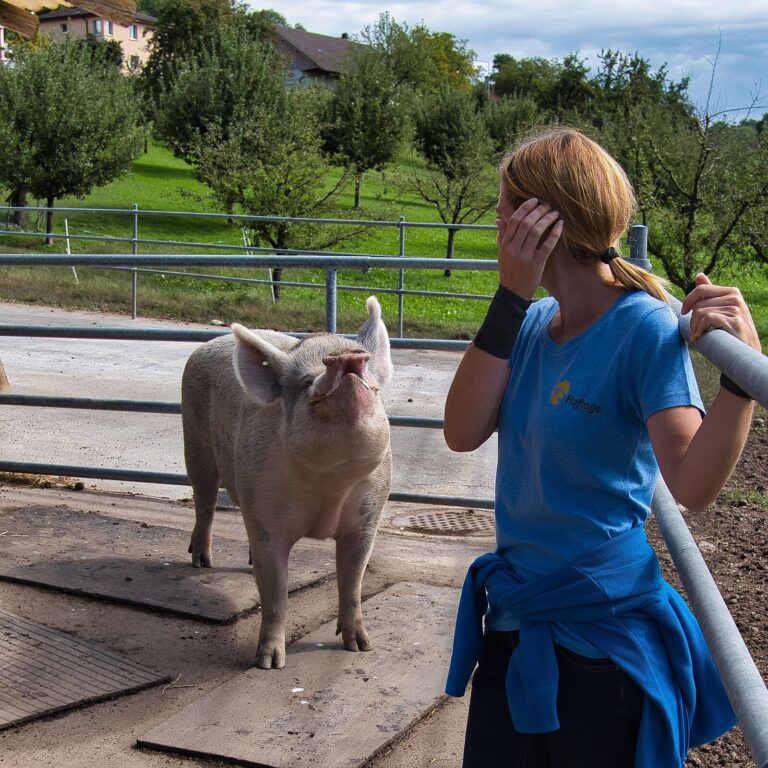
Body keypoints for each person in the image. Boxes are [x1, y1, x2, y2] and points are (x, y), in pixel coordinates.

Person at [442, 126, 761, 768]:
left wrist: (741, 380)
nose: (496, 224)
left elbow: (692, 486)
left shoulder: (643, 329)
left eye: (504, 210)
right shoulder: (532, 321)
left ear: (542, 225)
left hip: (599, 639)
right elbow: (461, 430)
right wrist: (511, 295)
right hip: (515, 616)